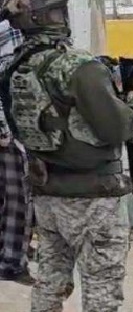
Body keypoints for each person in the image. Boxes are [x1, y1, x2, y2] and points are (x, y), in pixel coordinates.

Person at [0, 0, 133, 312]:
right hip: (93, 197)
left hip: (47, 193)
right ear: (53, 17)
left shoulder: (14, 69)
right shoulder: (78, 68)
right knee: (101, 289)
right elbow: (117, 127)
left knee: (50, 281)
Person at [0, 24, 34, 285]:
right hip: (10, 132)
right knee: (18, 198)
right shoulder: (10, 31)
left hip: (11, 129)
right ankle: (11, 262)